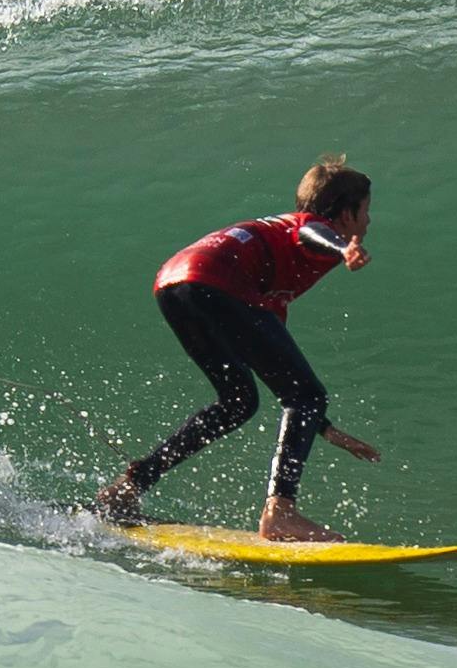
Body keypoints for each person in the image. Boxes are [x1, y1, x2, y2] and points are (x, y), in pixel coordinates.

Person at [94, 159, 383, 543]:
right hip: (215, 281)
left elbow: (282, 376)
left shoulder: (274, 269)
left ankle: (128, 488)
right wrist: (343, 247)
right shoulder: (316, 231)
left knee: (239, 402)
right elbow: (313, 234)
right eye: (365, 211)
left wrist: (323, 426)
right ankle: (280, 513)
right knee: (304, 394)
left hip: (175, 283)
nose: (368, 221)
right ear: (346, 214)